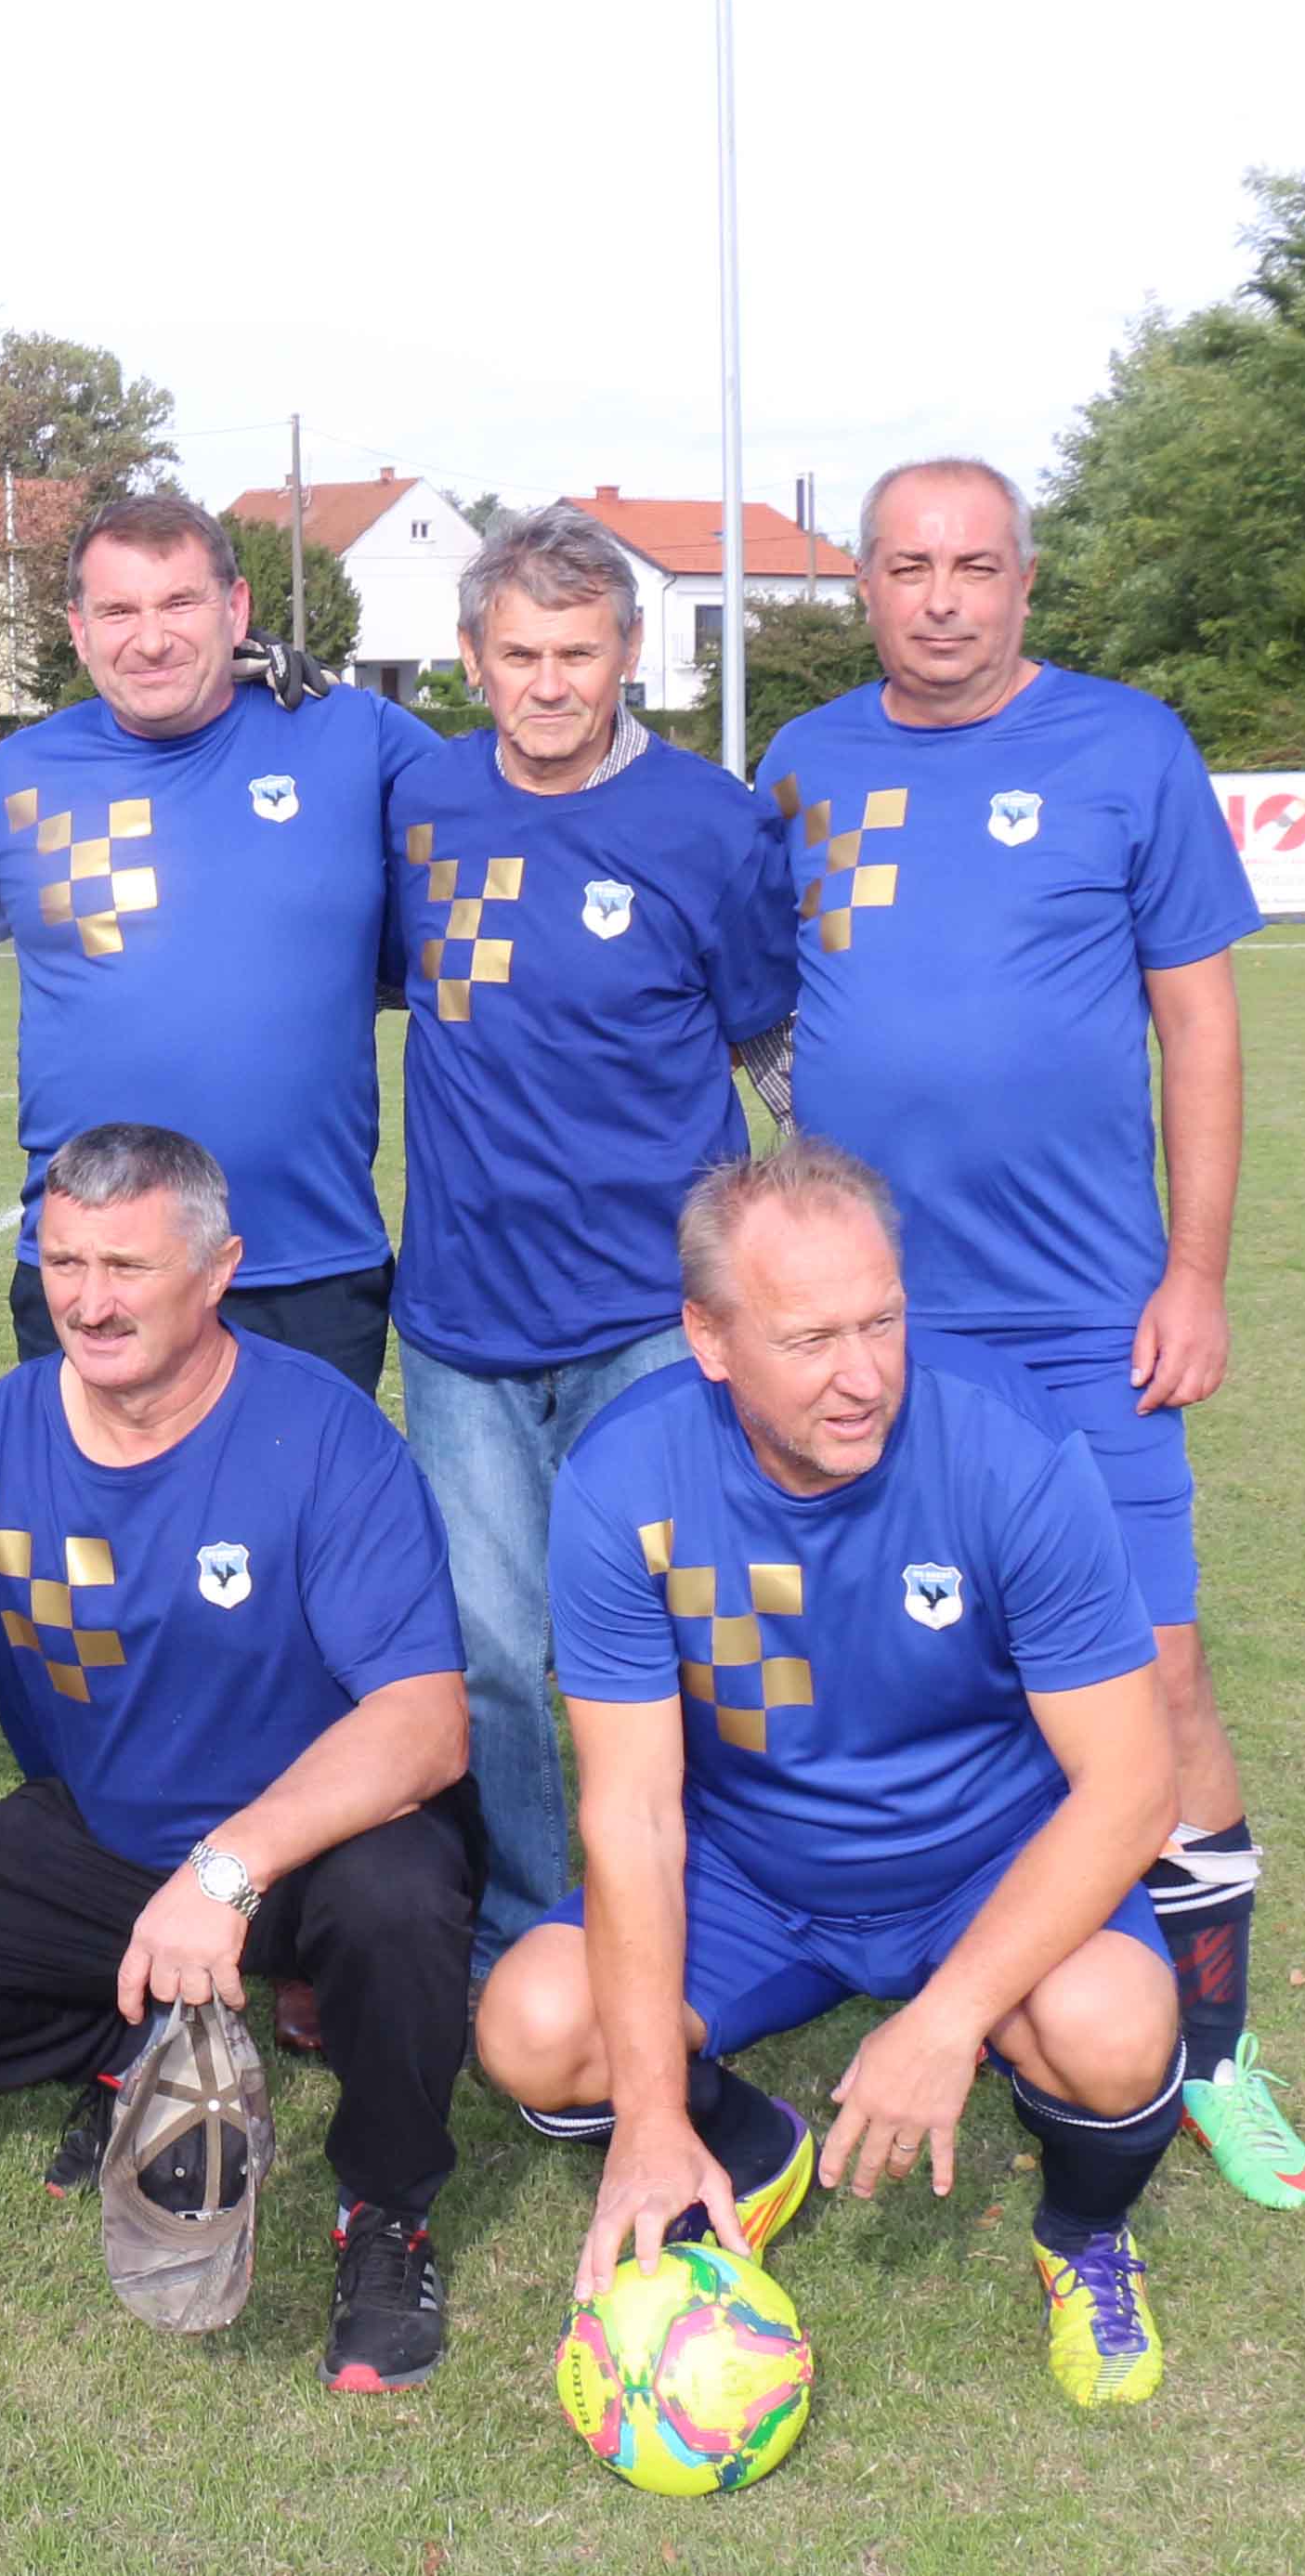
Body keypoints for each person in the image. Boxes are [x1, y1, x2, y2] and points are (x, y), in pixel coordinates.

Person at [760, 457, 1305, 2209]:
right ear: (860, 584)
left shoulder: (1127, 747)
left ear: (1023, 582)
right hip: (870, 1333)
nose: (941, 598)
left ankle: (1213, 2047)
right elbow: (753, 1010)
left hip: (1084, 1317)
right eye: (907, 567)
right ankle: (956, 1961)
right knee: (902, 1652)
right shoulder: (801, 768)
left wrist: (1194, 1274)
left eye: (975, 566)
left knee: (1157, 1669)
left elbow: (1197, 1028)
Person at [476, 1141, 1188, 2408]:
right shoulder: (626, 1479)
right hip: (750, 1878)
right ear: (709, 1338)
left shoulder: (1009, 1447)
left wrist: (950, 2018)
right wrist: (650, 2116)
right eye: (810, 1341)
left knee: (1115, 2033)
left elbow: (1133, 1786)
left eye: (882, 1322)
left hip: (984, 1861)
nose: (863, 1377)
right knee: (534, 2027)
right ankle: (744, 2147)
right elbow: (633, 1815)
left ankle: (1084, 2235)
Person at [0, 1125, 478, 2394]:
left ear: (218, 1272)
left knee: (402, 1904)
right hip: (106, 1842)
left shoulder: (323, 1435)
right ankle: (135, 2035)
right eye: (65, 1263)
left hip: (308, 1845)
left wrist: (228, 1869)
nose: (90, 1303)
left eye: (129, 1268)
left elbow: (426, 1723)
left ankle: (386, 2214)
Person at [383, 508, 798, 1972]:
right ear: (472, 657)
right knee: (492, 1651)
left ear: (629, 653)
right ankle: (525, 1927)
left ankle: (701, 1907)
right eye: (520, 655)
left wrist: (825, 1248)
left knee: (685, 1642)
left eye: (578, 653)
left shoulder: (714, 824)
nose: (549, 683)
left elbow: (774, 1046)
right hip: (463, 1322)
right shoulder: (423, 805)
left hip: (655, 1317)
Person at [0, 492, 434, 1397]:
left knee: (300, 1497)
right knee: (89, 1499)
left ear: (237, 607)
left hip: (308, 1270)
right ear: (79, 630)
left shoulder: (355, 736)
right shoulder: (18, 778)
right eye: (118, 610)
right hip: (92, 1274)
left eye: (181, 602)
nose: (150, 640)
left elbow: (525, 801)